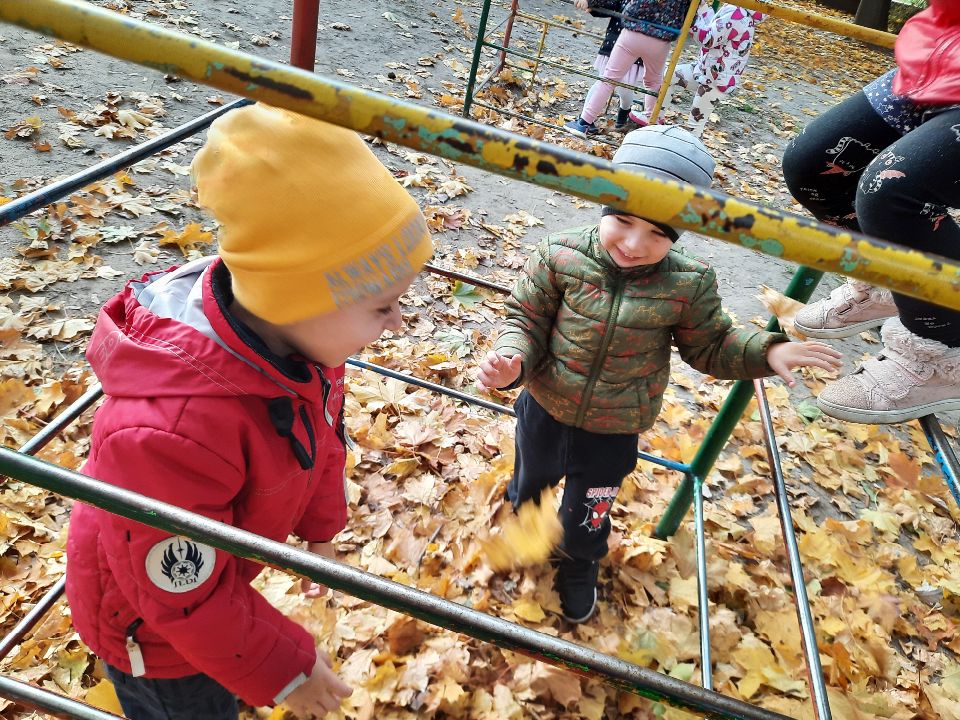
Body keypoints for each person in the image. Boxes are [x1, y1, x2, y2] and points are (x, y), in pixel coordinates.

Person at [65, 103, 433, 719]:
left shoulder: (298, 348)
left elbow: (319, 437)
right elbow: (181, 595)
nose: (399, 321)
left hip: (208, 599)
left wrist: (320, 531)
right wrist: (287, 671)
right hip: (154, 638)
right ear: (297, 297)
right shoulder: (170, 432)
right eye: (382, 306)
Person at [477, 126, 842, 622]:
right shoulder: (560, 255)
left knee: (589, 513)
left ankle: (579, 562)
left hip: (615, 426)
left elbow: (711, 344)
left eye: (658, 233)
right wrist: (511, 360)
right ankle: (524, 533)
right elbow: (526, 319)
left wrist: (767, 351)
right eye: (623, 220)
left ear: (678, 233)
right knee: (530, 486)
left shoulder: (688, 282)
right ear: (605, 204)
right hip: (544, 407)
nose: (633, 243)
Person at [783, 0, 960, 425]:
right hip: (943, 47)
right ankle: (890, 282)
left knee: (892, 191)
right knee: (812, 166)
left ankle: (943, 352)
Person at [565, 0, 688, 138]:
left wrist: (592, 2)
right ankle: (652, 122)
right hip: (661, 39)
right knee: (653, 83)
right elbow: (691, 17)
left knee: (608, 80)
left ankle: (583, 124)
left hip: (633, 31)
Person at [673, 1, 765, 137]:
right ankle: (654, 119)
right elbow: (714, 25)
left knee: (694, 128)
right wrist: (702, 7)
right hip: (705, 71)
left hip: (715, 81)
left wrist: (691, 21)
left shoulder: (737, 13)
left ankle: (690, 148)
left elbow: (707, 39)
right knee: (669, 76)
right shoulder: (736, 8)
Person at [574, 0, 645, 131]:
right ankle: (585, 119)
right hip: (614, 44)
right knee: (602, 81)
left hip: (636, 50)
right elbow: (611, 3)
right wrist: (592, 3)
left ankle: (624, 112)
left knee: (625, 88)